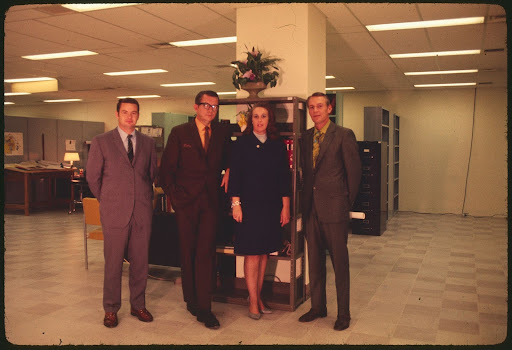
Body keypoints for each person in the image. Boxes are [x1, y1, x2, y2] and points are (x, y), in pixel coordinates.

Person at [158, 90, 231, 329]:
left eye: (215, 106)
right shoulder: (180, 133)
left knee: (205, 253)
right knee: (187, 252)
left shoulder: (221, 133)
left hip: (210, 203)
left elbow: (230, 159)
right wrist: (175, 198)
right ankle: (190, 298)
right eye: (206, 105)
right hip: (185, 203)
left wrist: (229, 170)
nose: (211, 110)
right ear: (196, 107)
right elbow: (166, 171)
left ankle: (204, 308)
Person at [86, 98, 157, 328]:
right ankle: (111, 309)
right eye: (125, 112)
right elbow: (93, 178)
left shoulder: (147, 143)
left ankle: (138, 305)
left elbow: (151, 175)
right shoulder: (101, 141)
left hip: (142, 211)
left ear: (138, 115)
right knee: (113, 262)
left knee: (141, 262)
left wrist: (144, 200)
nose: (129, 117)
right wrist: (107, 200)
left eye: (134, 113)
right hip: (114, 211)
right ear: (117, 114)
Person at [299, 92, 361, 331]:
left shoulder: (344, 135)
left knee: (339, 264)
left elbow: (354, 175)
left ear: (329, 108)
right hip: (310, 209)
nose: (315, 111)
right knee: (314, 262)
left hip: (334, 209)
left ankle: (343, 314)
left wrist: (344, 204)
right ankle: (318, 307)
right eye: (311, 107)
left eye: (320, 106)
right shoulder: (305, 137)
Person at [228, 103, 291, 320]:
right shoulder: (242, 143)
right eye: (255, 116)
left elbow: (284, 177)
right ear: (250, 120)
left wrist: (286, 206)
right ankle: (252, 300)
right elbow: (234, 175)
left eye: (264, 116)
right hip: (248, 206)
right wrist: (236, 205)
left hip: (271, 206)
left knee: (264, 252)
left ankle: (258, 296)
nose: (260, 120)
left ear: (269, 119)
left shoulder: (277, 145)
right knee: (252, 253)